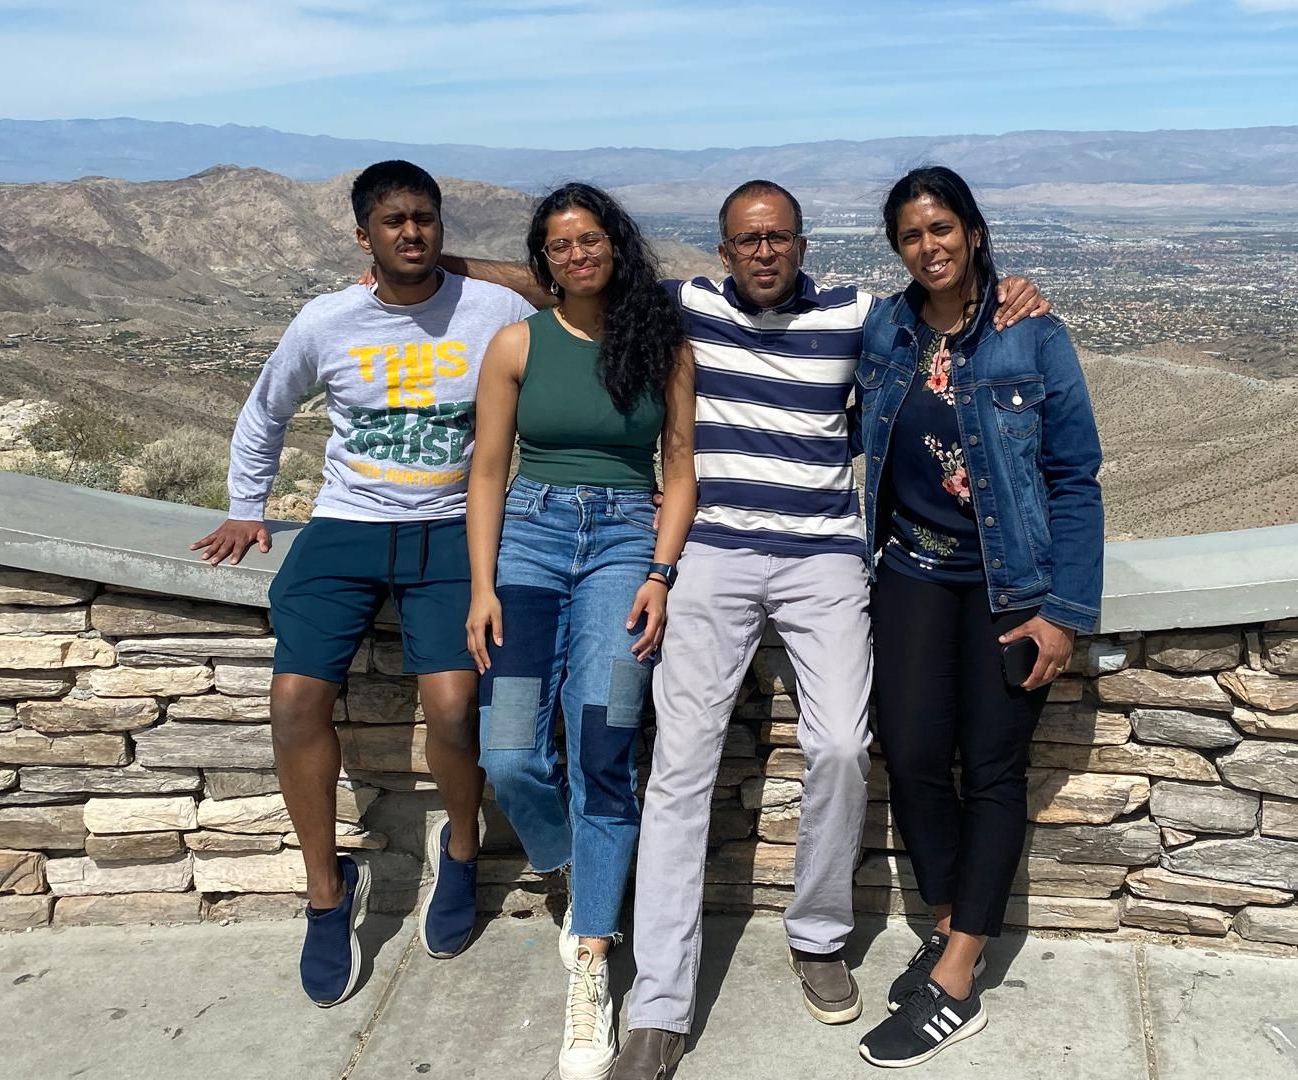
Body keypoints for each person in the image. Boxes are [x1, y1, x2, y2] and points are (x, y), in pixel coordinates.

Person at [433, 179, 1049, 1080]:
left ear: (801, 243)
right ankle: (661, 1002)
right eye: (746, 240)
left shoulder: (858, 317)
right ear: (722, 251)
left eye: (779, 238)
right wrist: (437, 262)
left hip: (824, 561)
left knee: (842, 744)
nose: (763, 252)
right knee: (681, 759)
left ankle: (819, 934)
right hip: (710, 556)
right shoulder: (682, 308)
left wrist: (1013, 289)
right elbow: (567, 279)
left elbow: (947, 307)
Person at [194, 160, 534, 1008]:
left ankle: (459, 854)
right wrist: (247, 506)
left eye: (425, 219)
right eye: (393, 221)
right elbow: (267, 409)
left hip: (454, 528)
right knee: (295, 701)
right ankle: (325, 892)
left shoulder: (493, 308)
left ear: (443, 229)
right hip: (346, 527)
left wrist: (467, 269)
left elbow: (567, 281)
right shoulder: (327, 320)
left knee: (456, 707)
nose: (411, 233)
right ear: (362, 235)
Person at [852, 165, 1103, 1068]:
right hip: (913, 572)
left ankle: (958, 978)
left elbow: (1076, 476)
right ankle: (952, 918)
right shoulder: (886, 328)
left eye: (943, 228)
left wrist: (1065, 614)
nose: (930, 246)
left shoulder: (1031, 331)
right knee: (914, 754)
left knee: (992, 770)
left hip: (1010, 587)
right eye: (913, 235)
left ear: (974, 231)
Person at [465, 182, 697, 1080]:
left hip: (623, 545)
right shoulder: (517, 344)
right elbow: (488, 471)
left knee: (604, 742)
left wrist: (660, 573)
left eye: (589, 239)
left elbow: (679, 469)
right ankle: (575, 863)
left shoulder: (659, 345)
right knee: (512, 753)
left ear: (615, 245)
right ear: (544, 259)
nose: (576, 256)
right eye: (559, 246)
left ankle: (592, 957)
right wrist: (482, 585)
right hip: (528, 537)